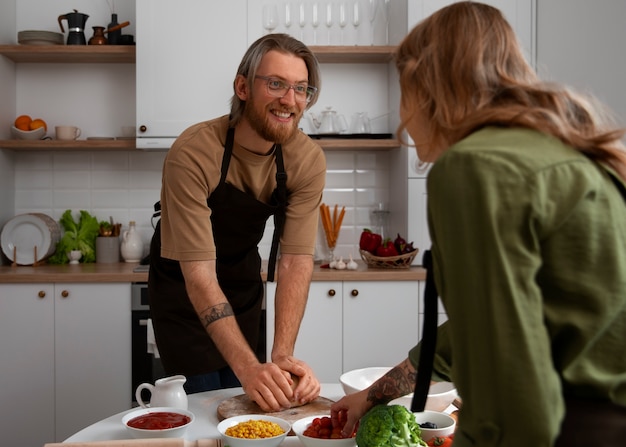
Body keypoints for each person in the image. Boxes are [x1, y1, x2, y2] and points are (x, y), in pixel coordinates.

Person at [330, 3, 626, 446]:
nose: (403, 118)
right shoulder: (562, 151)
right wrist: (373, 396)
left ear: (428, 85)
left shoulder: (474, 166)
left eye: (403, 91)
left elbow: (508, 382)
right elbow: (484, 327)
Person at [148, 33, 326, 412]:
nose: (289, 100)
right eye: (275, 84)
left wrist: (281, 356)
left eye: (300, 89)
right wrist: (248, 367)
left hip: (243, 289)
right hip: (184, 291)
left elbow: (294, 260)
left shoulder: (306, 160)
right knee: (200, 404)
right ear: (242, 87)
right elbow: (199, 275)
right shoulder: (194, 151)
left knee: (248, 402)